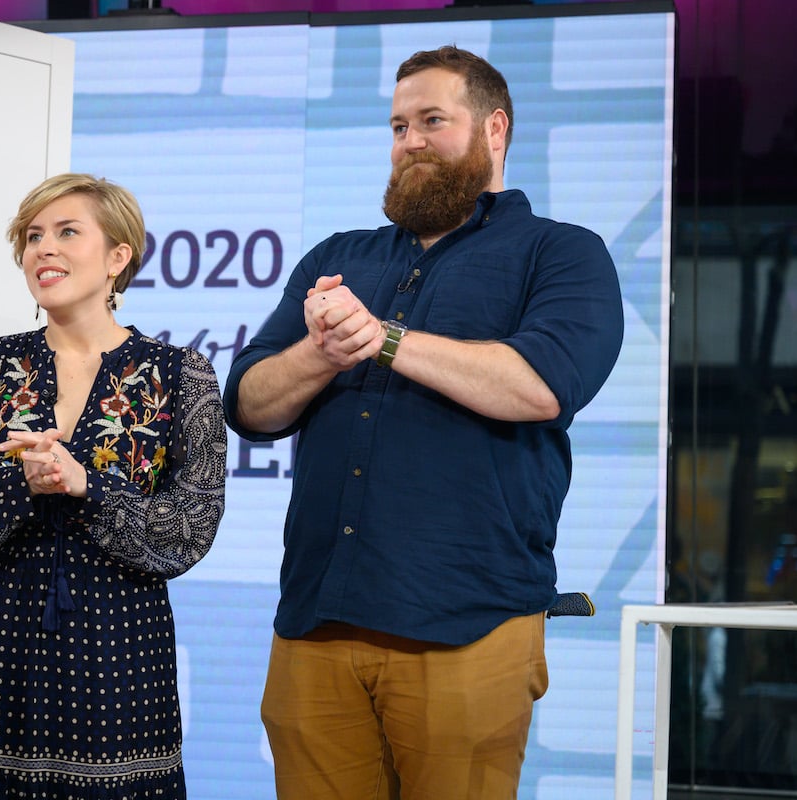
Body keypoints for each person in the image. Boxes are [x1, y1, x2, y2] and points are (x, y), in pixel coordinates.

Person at [223, 46, 624, 799]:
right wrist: (319, 352)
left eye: (432, 121)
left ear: (494, 129)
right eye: (398, 125)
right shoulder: (338, 257)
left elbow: (541, 385)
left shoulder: (562, 254)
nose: (409, 141)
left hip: (468, 624)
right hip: (316, 624)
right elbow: (249, 404)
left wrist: (385, 339)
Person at [0, 173, 227, 799]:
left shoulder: (182, 374)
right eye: (32, 237)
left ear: (118, 257)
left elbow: (192, 528)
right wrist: (19, 487)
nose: (43, 250)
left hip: (119, 646)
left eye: (66, 232)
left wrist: (89, 486)